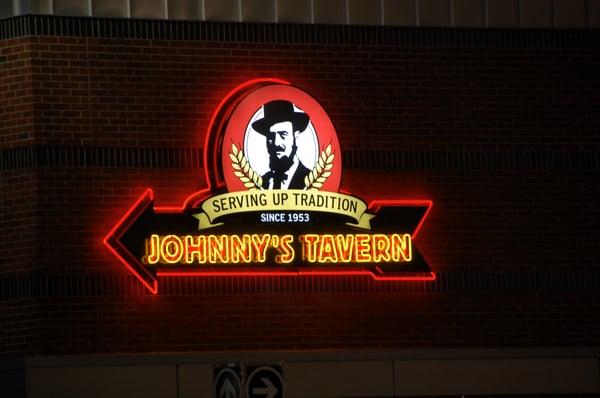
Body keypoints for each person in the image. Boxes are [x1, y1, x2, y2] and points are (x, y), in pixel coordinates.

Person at [251, 100, 312, 189]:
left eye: (283, 134)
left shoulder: (312, 181)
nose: (276, 143)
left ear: (296, 137)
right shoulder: (261, 184)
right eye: (271, 136)